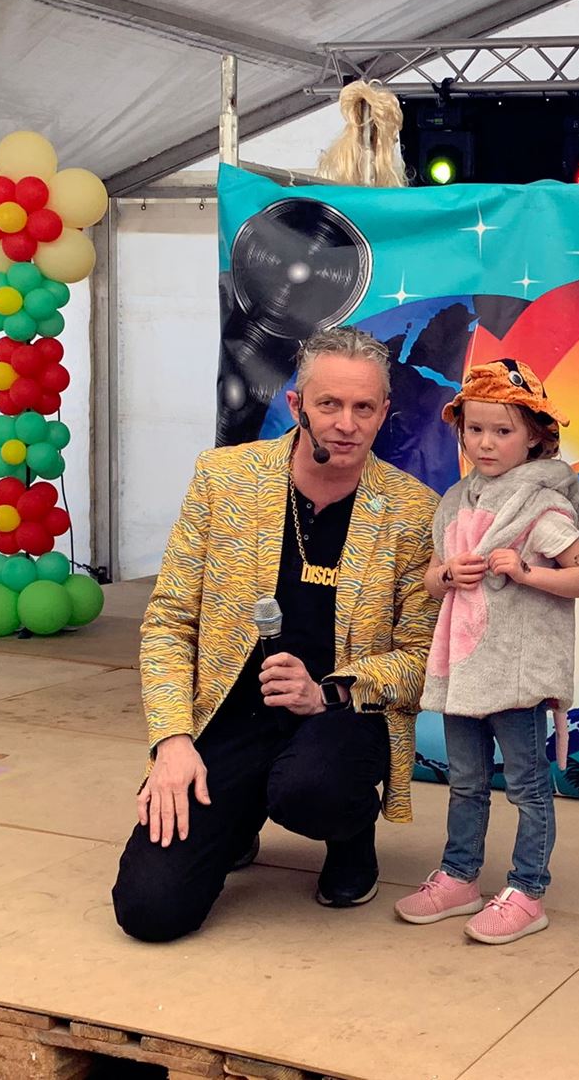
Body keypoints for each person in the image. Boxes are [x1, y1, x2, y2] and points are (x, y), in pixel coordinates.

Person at [112, 326, 439, 942]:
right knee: (151, 910)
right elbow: (169, 621)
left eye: (363, 407)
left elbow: (422, 658)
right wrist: (173, 741)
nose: (346, 424)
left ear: (383, 413)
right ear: (297, 404)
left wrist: (329, 691)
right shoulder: (223, 478)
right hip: (232, 718)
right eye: (329, 404)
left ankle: (351, 838)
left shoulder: (414, 511)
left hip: (339, 719)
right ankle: (235, 819)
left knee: (314, 789)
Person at [393, 360, 579, 945]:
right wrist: (446, 575)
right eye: (475, 429)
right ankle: (460, 876)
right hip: (466, 667)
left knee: (527, 786)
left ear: (534, 435)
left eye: (503, 431)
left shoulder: (540, 504)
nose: (485, 443)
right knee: (465, 779)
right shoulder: (455, 500)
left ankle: (528, 890)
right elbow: (431, 577)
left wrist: (528, 572)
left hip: (515, 672)